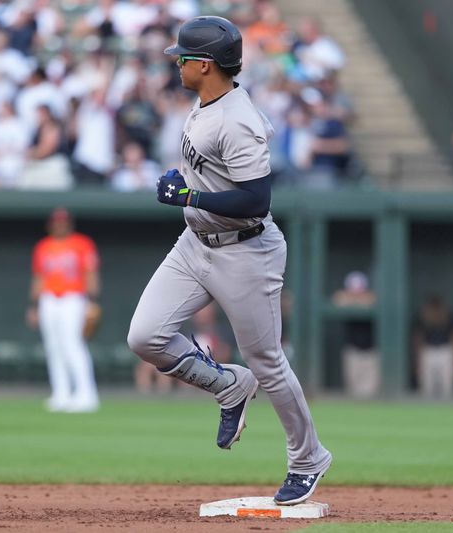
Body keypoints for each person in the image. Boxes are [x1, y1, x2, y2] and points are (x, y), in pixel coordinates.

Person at [127, 16, 332, 506]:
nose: (176, 62)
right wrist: (190, 191)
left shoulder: (237, 118)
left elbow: (256, 200)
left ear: (206, 64)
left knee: (267, 360)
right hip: (195, 244)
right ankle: (227, 386)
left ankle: (308, 458)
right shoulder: (205, 104)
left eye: (183, 56)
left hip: (246, 250)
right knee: (145, 336)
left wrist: (189, 195)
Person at [26, 207, 101, 413]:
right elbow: (39, 277)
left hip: (73, 298)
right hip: (49, 299)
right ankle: (61, 393)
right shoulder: (44, 246)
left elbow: (90, 273)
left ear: (69, 223)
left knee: (73, 344)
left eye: (63, 221)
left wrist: (92, 301)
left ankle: (86, 394)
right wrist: (33, 305)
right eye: (56, 221)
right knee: (53, 347)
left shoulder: (82, 243)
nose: (60, 224)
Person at [332, 271, 379, 399]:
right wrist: (353, 299)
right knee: (353, 392)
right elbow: (338, 299)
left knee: (370, 393)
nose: (356, 293)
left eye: (359, 290)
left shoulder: (371, 298)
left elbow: (372, 299)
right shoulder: (344, 297)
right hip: (352, 351)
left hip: (370, 352)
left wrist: (357, 300)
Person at [412, 294, 453, 399]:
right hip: (428, 351)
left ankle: (449, 412)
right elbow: (418, 338)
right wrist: (417, 360)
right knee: (426, 387)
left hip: (446, 351)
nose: (435, 308)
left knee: (448, 387)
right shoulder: (423, 316)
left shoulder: (449, 315)